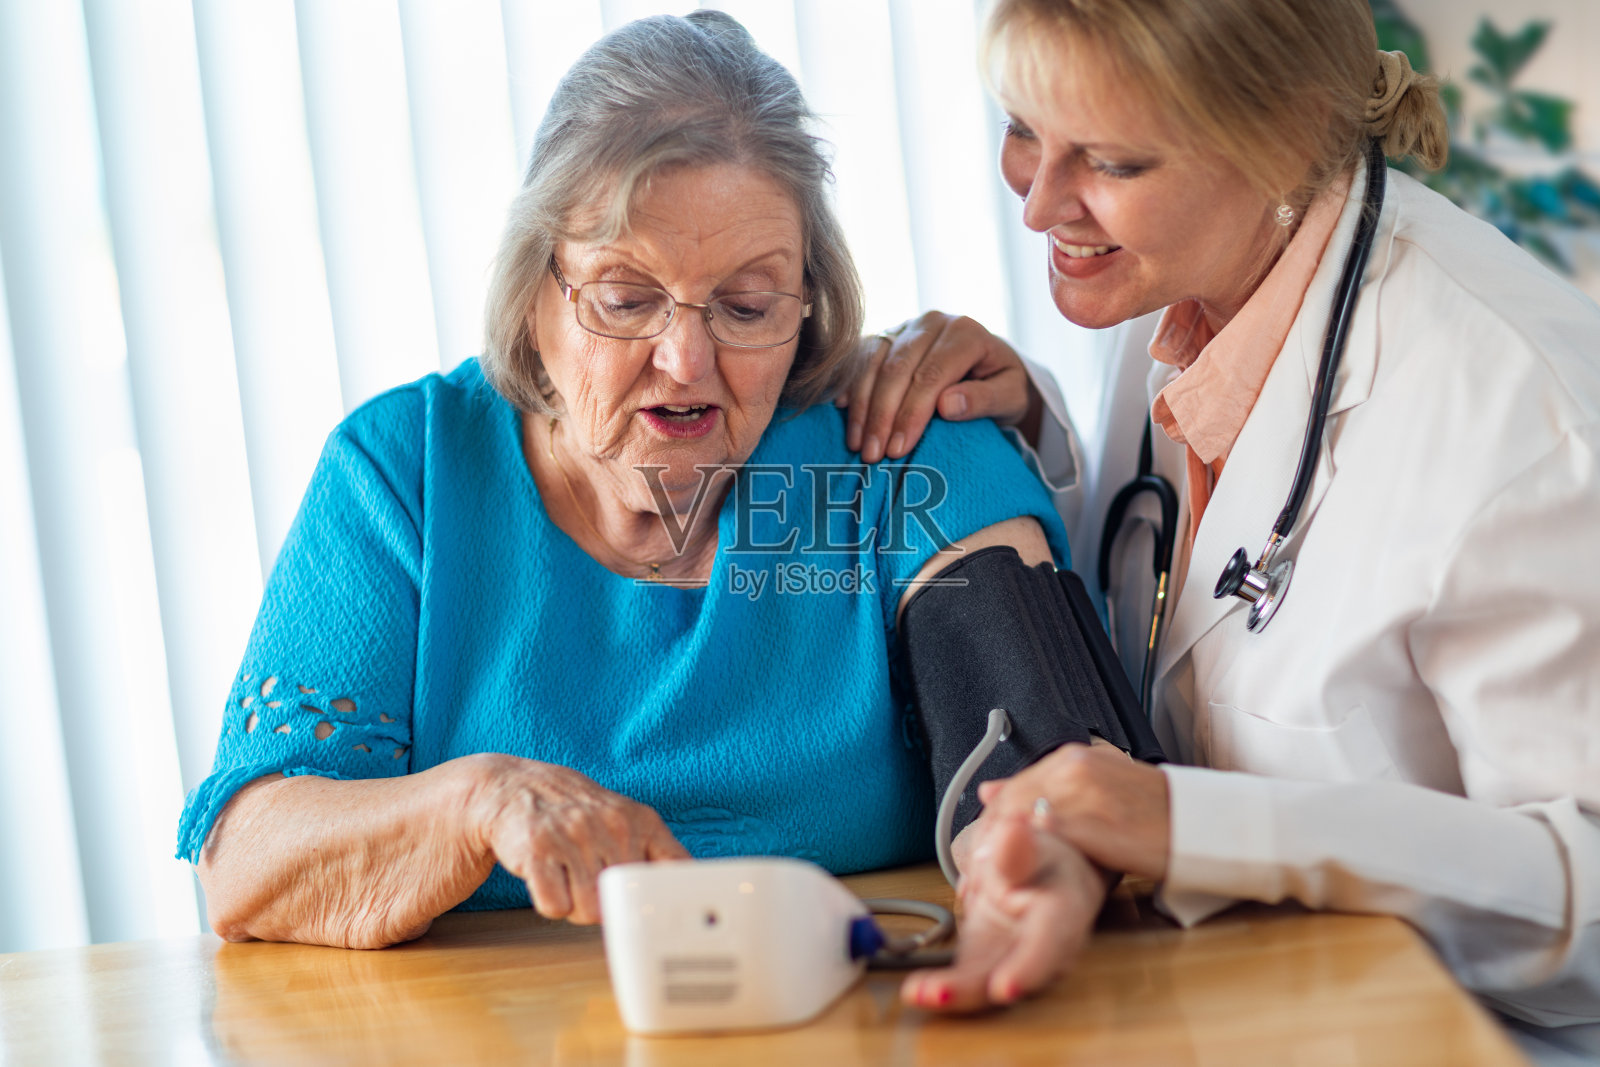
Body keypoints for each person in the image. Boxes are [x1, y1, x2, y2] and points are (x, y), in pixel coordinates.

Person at [174, 10, 1069, 950]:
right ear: (533, 302)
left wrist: (1036, 882)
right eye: (626, 298)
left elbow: (1048, 776)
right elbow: (246, 864)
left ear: (809, 308)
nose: (686, 358)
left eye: (748, 303)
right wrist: (478, 801)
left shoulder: (898, 439)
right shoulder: (406, 470)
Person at [850, 0, 1600, 1049]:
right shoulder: (1189, 283)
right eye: (1022, 128)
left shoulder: (1527, 414)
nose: (1038, 205)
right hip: (1227, 1001)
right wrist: (1022, 427)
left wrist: (1187, 823)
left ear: (1283, 138)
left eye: (1109, 162)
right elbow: (1196, 613)